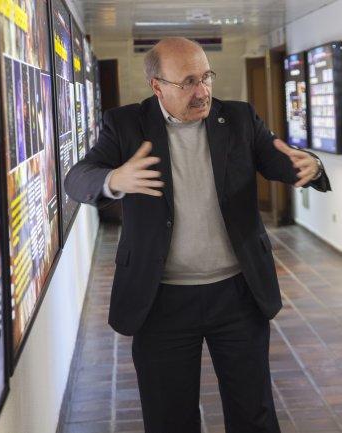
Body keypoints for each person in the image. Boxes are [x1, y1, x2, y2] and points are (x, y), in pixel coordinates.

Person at [64, 37, 331, 433]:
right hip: (161, 301)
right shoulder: (125, 125)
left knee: (253, 413)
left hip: (237, 294)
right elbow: (76, 178)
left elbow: (280, 159)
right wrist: (114, 178)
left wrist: (310, 164)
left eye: (206, 77)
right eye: (187, 82)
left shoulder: (238, 118)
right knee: (170, 418)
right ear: (157, 86)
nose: (202, 91)